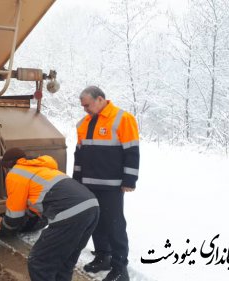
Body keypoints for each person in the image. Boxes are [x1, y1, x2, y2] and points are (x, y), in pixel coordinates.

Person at [0, 148, 99, 281]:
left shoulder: (15, 174)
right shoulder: (42, 168)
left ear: (6, 168)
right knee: (64, 262)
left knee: (39, 262)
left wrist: (3, 225)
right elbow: (37, 202)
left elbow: (14, 217)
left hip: (69, 214)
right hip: (92, 206)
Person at [73, 86, 139, 281]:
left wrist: (129, 180)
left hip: (112, 185)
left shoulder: (122, 118)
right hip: (89, 184)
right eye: (83, 106)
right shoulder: (83, 123)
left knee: (114, 224)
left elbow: (132, 152)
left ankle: (120, 268)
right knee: (97, 223)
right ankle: (103, 257)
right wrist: (77, 181)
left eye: (87, 105)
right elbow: (79, 155)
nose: (85, 109)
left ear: (100, 99)